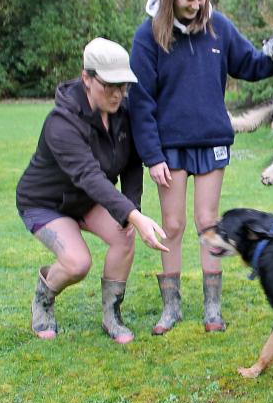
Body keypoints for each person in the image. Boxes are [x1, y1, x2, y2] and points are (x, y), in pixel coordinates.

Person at [128, 0, 273, 334]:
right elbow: (140, 101)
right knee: (173, 224)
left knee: (206, 221)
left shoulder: (219, 28)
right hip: (169, 146)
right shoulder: (148, 36)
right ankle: (171, 307)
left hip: (211, 139)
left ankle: (212, 308)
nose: (197, 5)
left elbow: (251, 64)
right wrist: (152, 155)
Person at [17, 37, 169, 344]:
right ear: (87, 78)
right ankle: (43, 298)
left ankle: (112, 314)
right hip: (45, 202)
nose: (117, 94)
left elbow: (130, 164)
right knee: (77, 263)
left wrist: (131, 211)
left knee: (124, 232)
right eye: (109, 85)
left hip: (87, 200)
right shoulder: (62, 123)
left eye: (123, 85)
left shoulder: (123, 112)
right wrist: (137, 217)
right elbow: (88, 175)